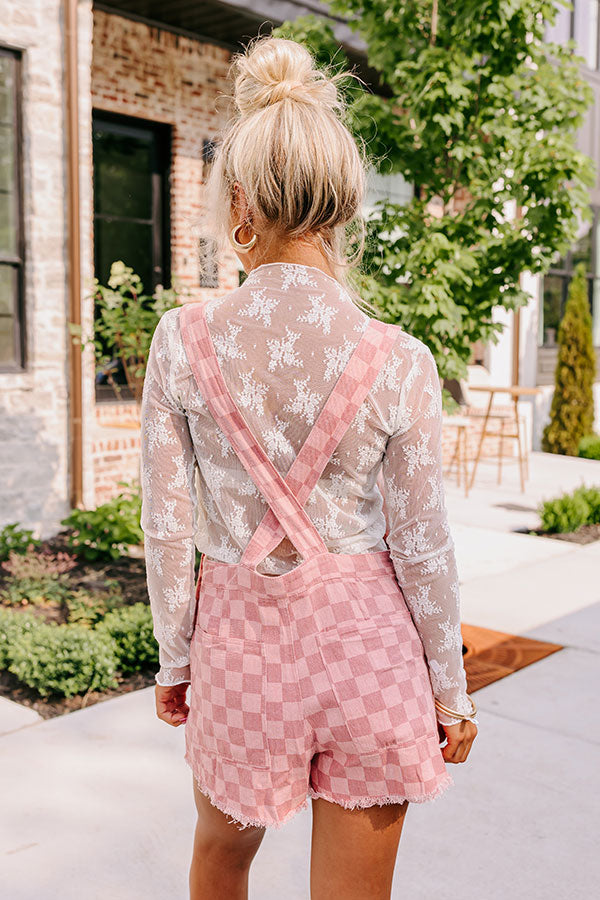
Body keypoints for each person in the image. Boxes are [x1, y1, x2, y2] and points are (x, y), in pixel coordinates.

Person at [140, 35, 477, 900]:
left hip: (240, 649)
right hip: (371, 653)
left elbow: (167, 527)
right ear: (344, 204)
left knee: (220, 855)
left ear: (240, 203)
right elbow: (424, 546)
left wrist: (176, 660)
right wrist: (451, 692)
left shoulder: (182, 342)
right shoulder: (399, 359)